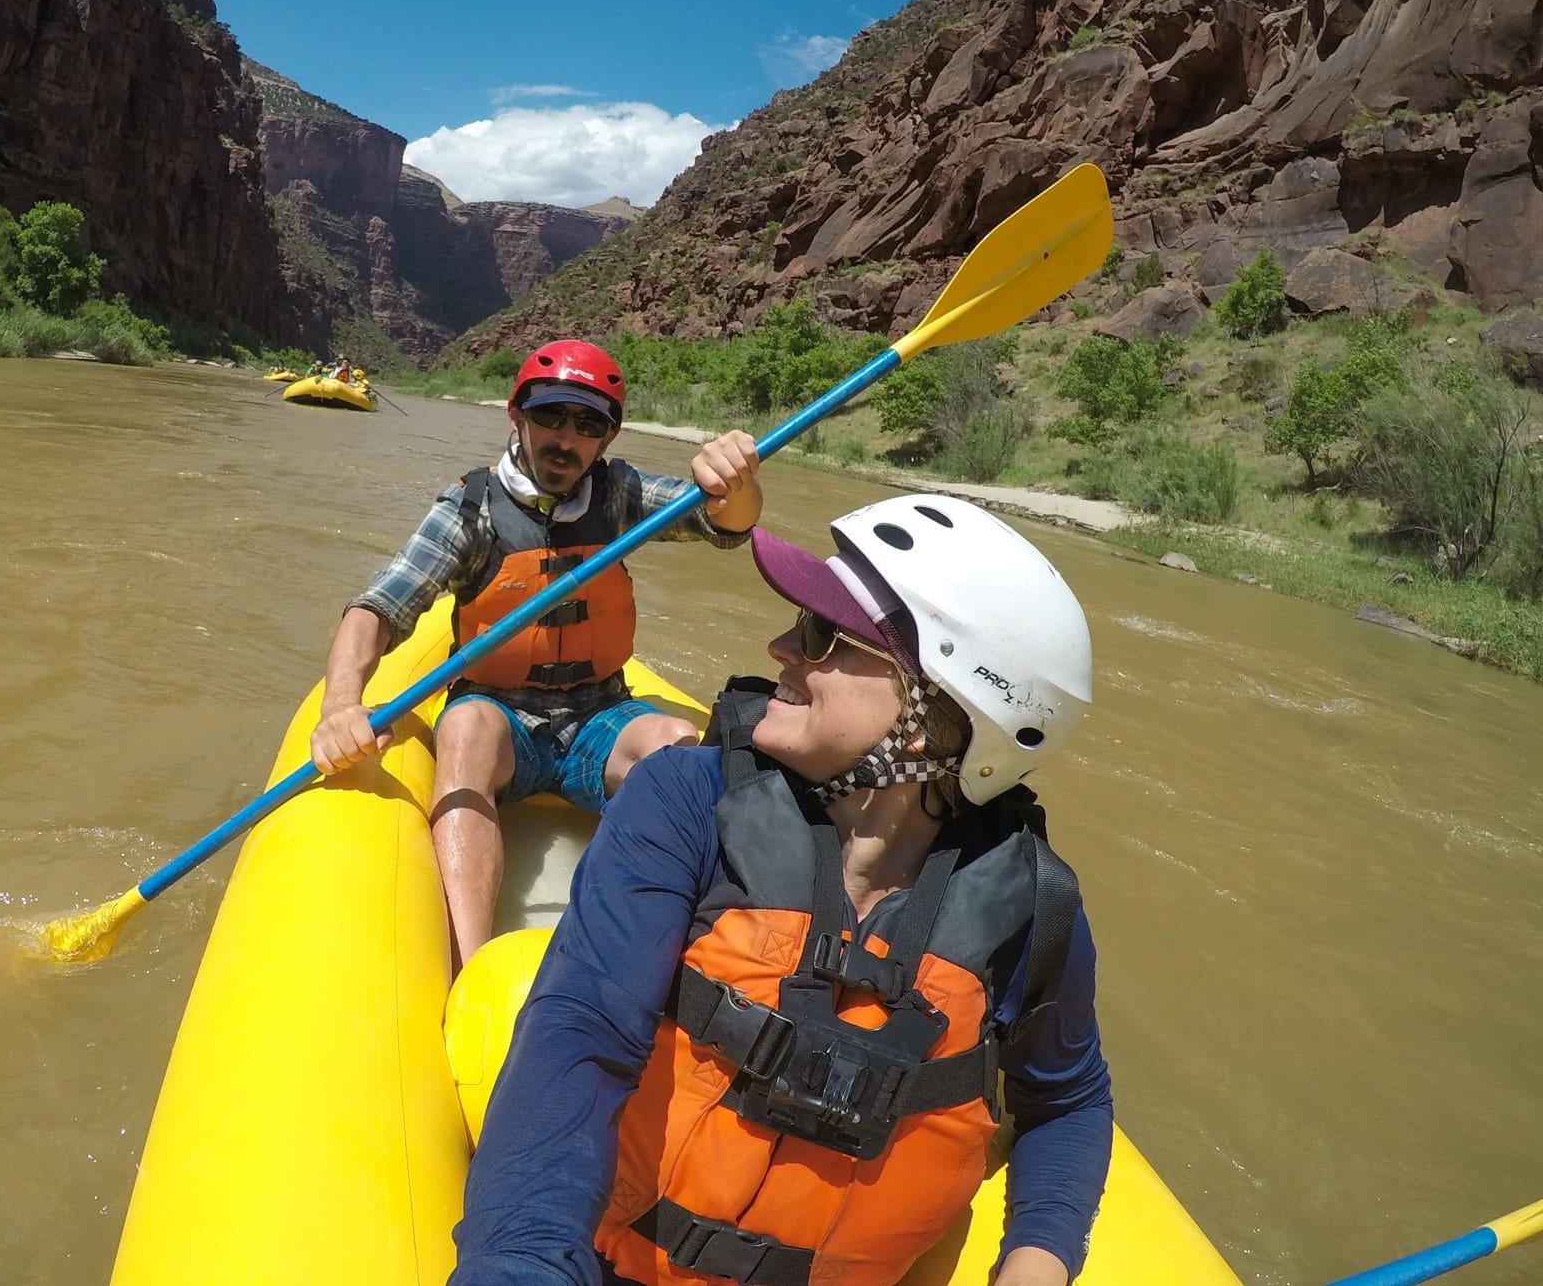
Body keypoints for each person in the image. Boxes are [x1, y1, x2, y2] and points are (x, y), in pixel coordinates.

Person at [451, 493, 1110, 1286]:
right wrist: (523, 1265)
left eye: (822, 636)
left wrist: (1034, 1269)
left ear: (940, 711)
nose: (781, 647)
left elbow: (1068, 1104)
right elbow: (581, 1032)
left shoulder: (1032, 909)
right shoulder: (689, 800)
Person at [310, 339, 763, 968]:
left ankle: (659, 957)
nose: (565, 440)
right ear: (515, 416)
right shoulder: (469, 510)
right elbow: (377, 610)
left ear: (606, 438)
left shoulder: (619, 494)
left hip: (599, 717)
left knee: (674, 741)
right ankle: (465, 965)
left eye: (587, 425)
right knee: (464, 725)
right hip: (499, 715)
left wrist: (734, 482)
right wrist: (340, 705)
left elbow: (725, 523)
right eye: (550, 415)